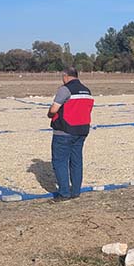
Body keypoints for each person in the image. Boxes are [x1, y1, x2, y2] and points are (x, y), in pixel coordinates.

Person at [47, 67, 94, 202]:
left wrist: (50, 114)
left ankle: (64, 193)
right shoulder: (87, 90)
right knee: (76, 161)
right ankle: (76, 191)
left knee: (60, 161)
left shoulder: (64, 89)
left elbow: (54, 109)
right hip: (82, 130)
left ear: (65, 76)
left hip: (64, 131)